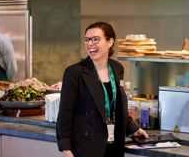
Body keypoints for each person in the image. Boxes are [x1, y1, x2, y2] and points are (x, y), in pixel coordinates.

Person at [56, 22, 148, 157]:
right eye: (86, 40)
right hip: (85, 146)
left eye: (95, 39)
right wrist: (66, 149)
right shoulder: (75, 72)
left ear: (110, 42)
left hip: (113, 145)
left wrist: (134, 128)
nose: (90, 44)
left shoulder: (117, 69)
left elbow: (117, 107)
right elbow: (65, 114)